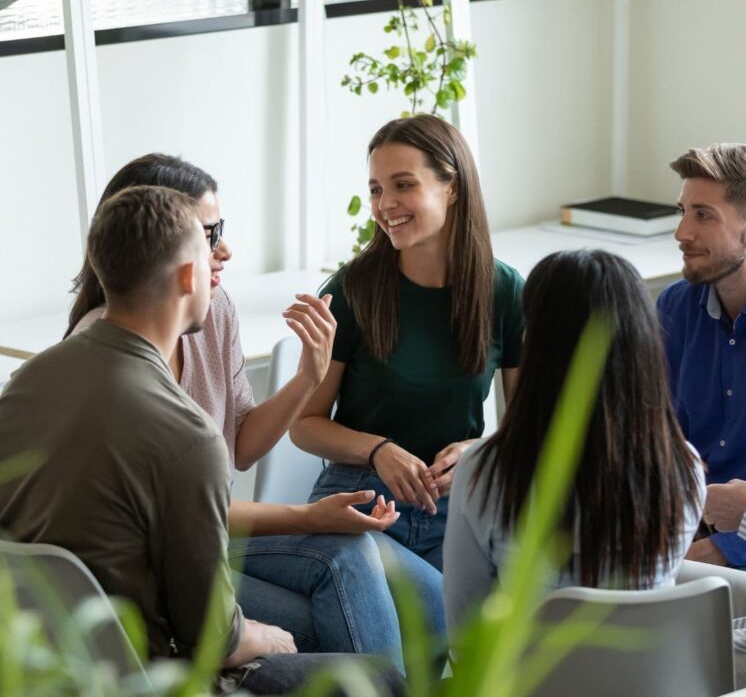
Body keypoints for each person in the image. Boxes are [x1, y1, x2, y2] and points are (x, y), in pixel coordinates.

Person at [0, 187, 360, 694]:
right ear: (189, 276)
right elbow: (213, 639)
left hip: (39, 666)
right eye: (209, 245)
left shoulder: (23, 385)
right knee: (370, 675)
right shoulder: (187, 438)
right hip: (145, 676)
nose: (223, 255)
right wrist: (269, 638)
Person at [66, 154, 405, 669]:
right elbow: (172, 519)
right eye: (209, 233)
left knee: (355, 566)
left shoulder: (213, 308)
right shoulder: (105, 353)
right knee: (326, 613)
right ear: (157, 243)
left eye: (220, 229)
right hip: (163, 566)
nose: (225, 249)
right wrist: (309, 516)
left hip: (211, 541)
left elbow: (241, 447)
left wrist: (308, 379)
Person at [291, 115, 525, 636]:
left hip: (458, 507)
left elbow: (529, 427)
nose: (384, 205)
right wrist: (377, 449)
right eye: (376, 189)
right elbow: (304, 423)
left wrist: (478, 452)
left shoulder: (504, 291)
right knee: (443, 620)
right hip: (363, 502)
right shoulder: (354, 289)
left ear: (453, 188)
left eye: (403, 185)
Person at [443, 250, 705, 635]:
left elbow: (465, 631)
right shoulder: (684, 470)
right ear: (644, 345)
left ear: (537, 345)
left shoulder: (486, 470)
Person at [657, 144, 746, 568]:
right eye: (682, 210)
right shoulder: (675, 308)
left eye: (703, 215)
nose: (682, 232)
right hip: (684, 534)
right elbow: (654, 437)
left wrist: (724, 550)